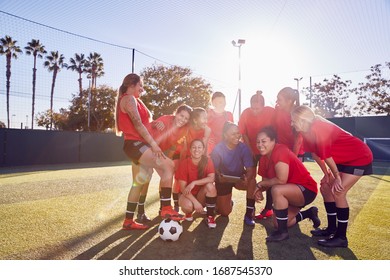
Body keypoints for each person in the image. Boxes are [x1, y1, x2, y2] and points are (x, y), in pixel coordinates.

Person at [291, 105, 373, 248]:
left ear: (302, 120)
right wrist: (326, 175)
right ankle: (331, 229)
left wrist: (336, 176)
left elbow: (327, 155)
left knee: (338, 191)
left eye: (293, 120)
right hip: (342, 160)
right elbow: (316, 155)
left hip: (359, 157)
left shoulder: (318, 127)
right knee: (325, 188)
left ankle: (341, 237)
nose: (291, 123)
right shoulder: (305, 132)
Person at [115, 73, 182, 230]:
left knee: (139, 182)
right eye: (140, 86)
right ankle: (166, 207)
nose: (142, 89)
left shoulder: (134, 100)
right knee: (168, 166)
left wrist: (155, 125)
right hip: (136, 144)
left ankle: (128, 220)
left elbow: (144, 123)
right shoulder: (128, 98)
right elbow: (138, 125)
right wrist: (154, 144)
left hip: (138, 144)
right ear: (132, 85)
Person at [254, 126, 320, 242]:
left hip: (306, 189)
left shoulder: (280, 150)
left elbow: (281, 180)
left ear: (273, 140)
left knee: (277, 189)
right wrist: (259, 190)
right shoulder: (263, 159)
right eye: (258, 142)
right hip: (289, 193)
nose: (260, 145)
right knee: (279, 223)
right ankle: (309, 213)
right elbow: (267, 183)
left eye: (264, 141)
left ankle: (282, 233)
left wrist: (260, 185)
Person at [135, 104, 192, 222]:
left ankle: (164, 208)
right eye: (181, 115)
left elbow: (172, 147)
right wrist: (155, 123)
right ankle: (140, 212)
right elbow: (148, 128)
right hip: (144, 147)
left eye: (186, 118)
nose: (183, 120)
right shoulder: (165, 120)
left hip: (157, 152)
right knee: (146, 177)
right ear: (176, 113)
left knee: (167, 174)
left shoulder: (184, 130)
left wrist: (167, 162)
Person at [210, 121, 257, 226]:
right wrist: (218, 177)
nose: (237, 136)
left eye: (237, 133)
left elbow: (250, 169)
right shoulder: (218, 149)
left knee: (252, 181)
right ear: (225, 135)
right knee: (224, 212)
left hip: (239, 178)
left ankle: (249, 214)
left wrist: (247, 178)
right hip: (223, 180)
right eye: (233, 134)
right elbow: (214, 169)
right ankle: (226, 202)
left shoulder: (243, 148)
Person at [238, 91, 275, 221]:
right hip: (251, 150)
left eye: (257, 108)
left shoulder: (270, 111)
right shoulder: (246, 113)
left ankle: (268, 208)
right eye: (252, 107)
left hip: (267, 150)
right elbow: (243, 133)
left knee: (269, 177)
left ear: (263, 106)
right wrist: (250, 149)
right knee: (251, 178)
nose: (254, 111)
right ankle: (250, 208)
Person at [176, 139, 217, 228]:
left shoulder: (208, 161)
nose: (196, 150)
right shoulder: (184, 163)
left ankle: (210, 216)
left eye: (199, 147)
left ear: (203, 150)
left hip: (201, 195)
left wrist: (194, 183)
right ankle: (188, 213)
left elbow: (212, 178)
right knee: (188, 206)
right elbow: (183, 188)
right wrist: (195, 203)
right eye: (194, 147)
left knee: (210, 187)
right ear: (190, 150)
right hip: (187, 195)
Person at [274, 87, 304, 158]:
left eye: (279, 100)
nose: (276, 101)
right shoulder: (278, 110)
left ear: (289, 101)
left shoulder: (298, 115)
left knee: (292, 169)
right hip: (281, 150)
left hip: (295, 152)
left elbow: (298, 140)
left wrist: (293, 158)